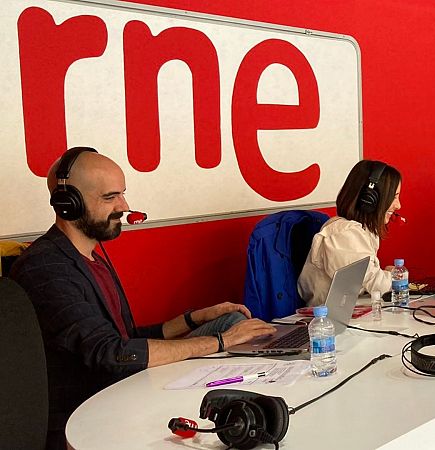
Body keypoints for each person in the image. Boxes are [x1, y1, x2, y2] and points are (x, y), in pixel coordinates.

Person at [10, 147, 276, 448]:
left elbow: (126, 338)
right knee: (228, 333)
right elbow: (111, 354)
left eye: (122, 194)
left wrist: (193, 319)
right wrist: (221, 342)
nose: (123, 205)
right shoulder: (46, 268)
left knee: (229, 320)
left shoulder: (92, 259)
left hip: (117, 379)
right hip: (86, 411)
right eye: (110, 197)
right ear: (68, 204)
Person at [298, 160, 402, 306]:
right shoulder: (343, 234)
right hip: (326, 322)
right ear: (369, 199)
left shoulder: (363, 231)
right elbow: (378, 286)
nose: (398, 205)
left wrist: (388, 275)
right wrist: (396, 276)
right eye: (394, 197)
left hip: (351, 313)